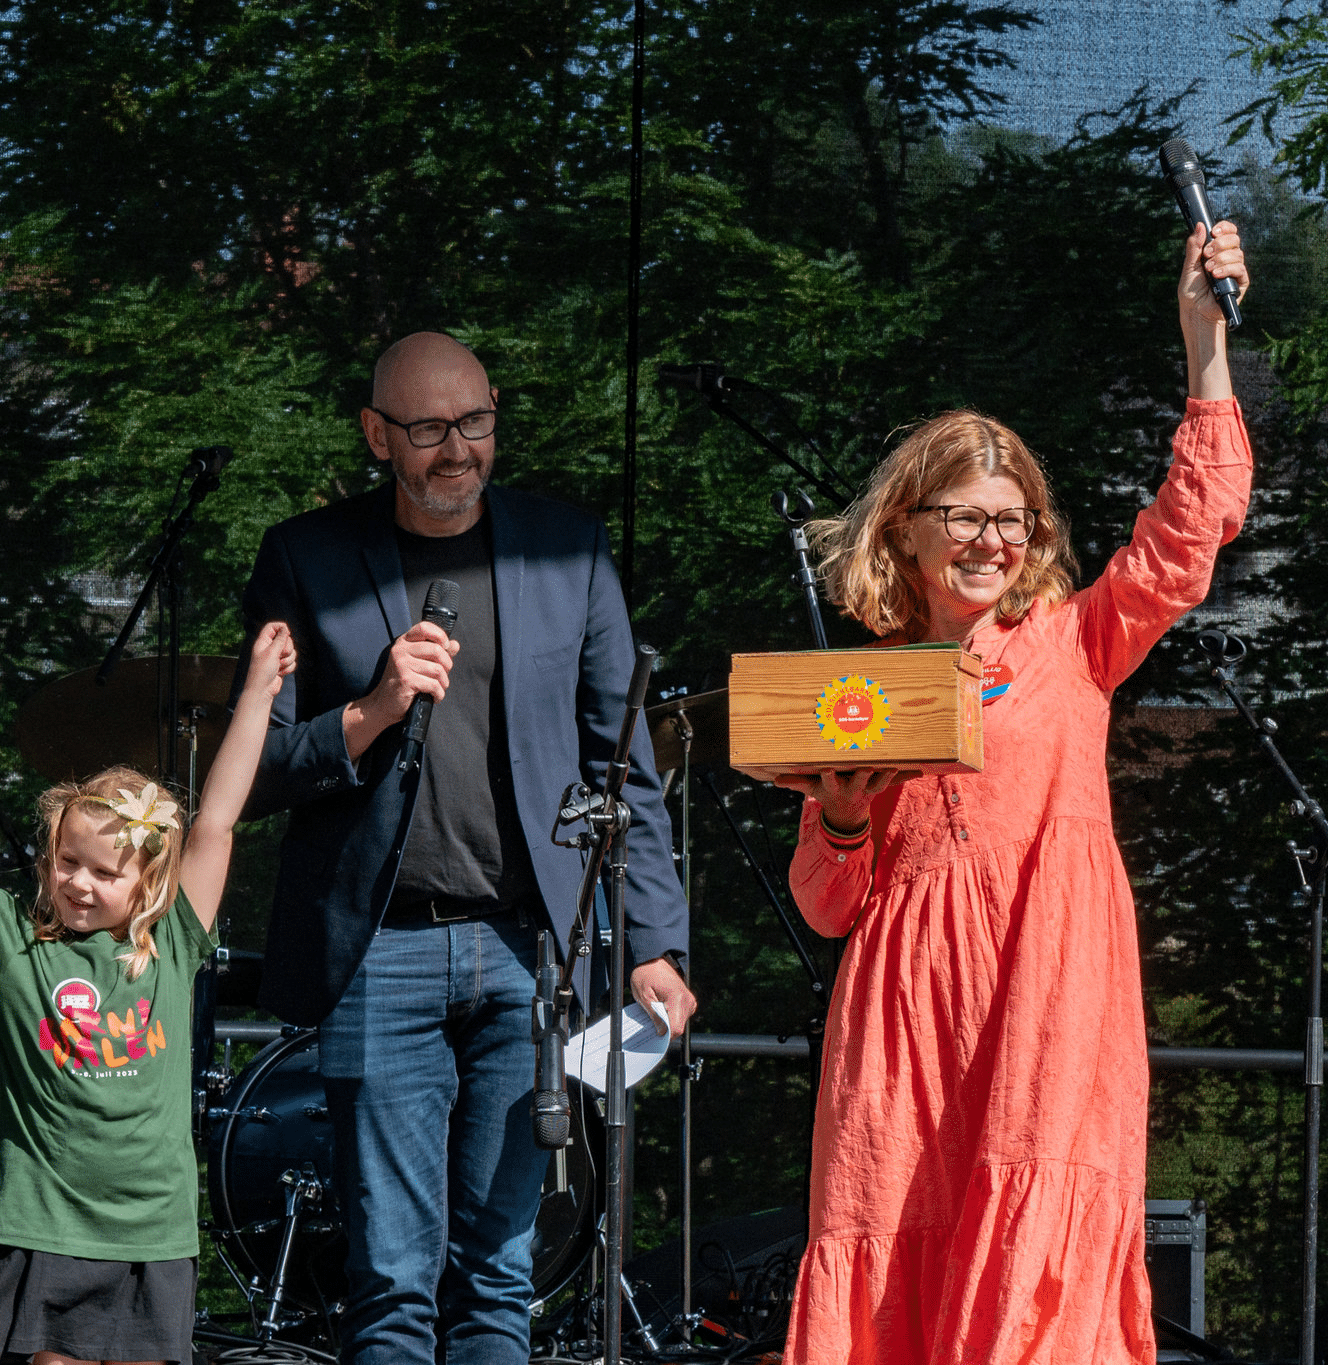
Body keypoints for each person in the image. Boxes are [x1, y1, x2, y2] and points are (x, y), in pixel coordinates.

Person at [779, 222, 1253, 1365]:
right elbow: (826, 903)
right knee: (896, 1238)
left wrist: (1202, 341)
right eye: (965, 515)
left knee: (1033, 1268)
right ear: (907, 526)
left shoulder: (1074, 640)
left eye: (1012, 517)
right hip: (905, 1019)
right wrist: (842, 809)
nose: (993, 539)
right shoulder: (867, 683)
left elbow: (1188, 536)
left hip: (1048, 987)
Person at [232, 332, 694, 1364]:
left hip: (528, 948)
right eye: (429, 429)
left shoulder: (563, 548)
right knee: (390, 1282)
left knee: (497, 1277)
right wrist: (374, 707)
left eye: (474, 422)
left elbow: (621, 762)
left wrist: (654, 943)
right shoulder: (305, 557)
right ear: (374, 434)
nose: (456, 450)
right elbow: (253, 768)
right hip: (377, 949)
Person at [0, 620, 297, 1365]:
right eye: (67, 861)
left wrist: (255, 697)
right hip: (46, 1229)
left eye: (105, 871)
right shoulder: (20, 947)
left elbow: (217, 822)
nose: (79, 881)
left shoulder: (171, 944)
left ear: (146, 881)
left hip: (152, 1235)